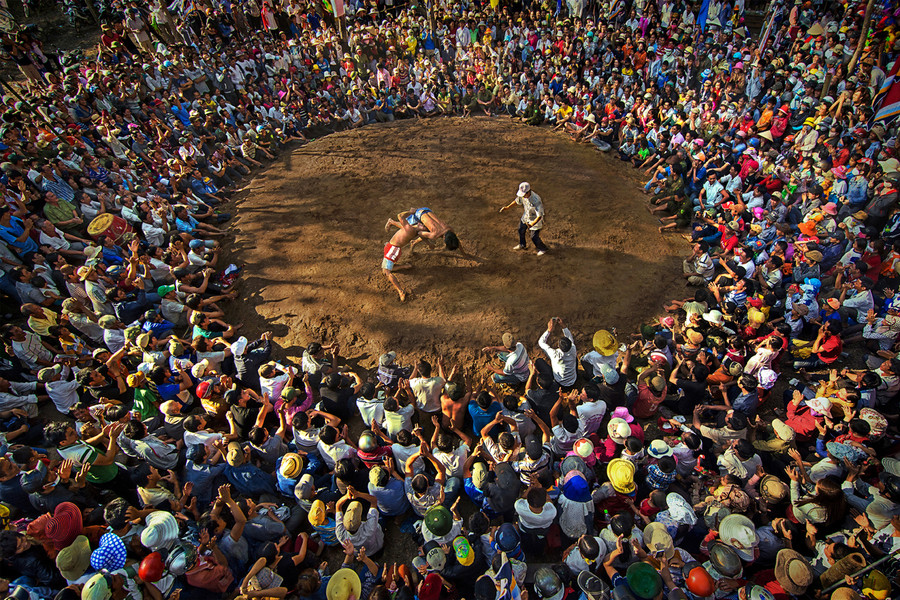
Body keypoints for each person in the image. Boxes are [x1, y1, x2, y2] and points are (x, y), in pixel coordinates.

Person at [500, 182, 548, 256]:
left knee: (534, 237)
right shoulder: (523, 196)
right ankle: (522, 244)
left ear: (528, 192)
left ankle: (543, 248)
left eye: (524, 194)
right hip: (526, 217)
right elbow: (517, 201)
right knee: (521, 229)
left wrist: (532, 224)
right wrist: (508, 207)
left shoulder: (536, 200)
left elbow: (540, 215)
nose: (522, 197)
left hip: (535, 220)